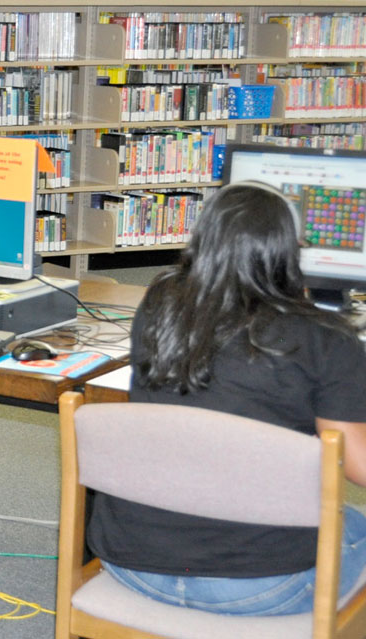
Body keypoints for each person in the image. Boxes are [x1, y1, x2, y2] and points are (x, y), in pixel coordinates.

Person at [87, 181, 366, 616]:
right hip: (264, 585)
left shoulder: (159, 304)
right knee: (353, 523)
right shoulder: (326, 339)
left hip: (130, 564)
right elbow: (357, 464)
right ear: (287, 251)